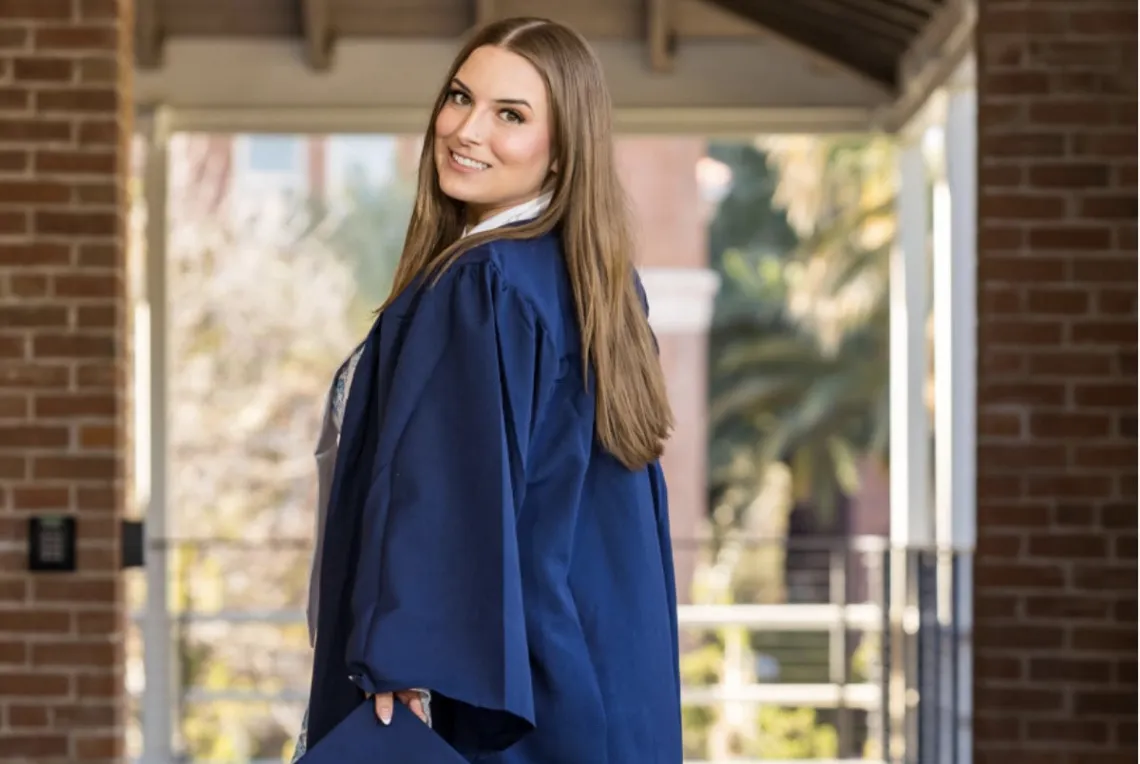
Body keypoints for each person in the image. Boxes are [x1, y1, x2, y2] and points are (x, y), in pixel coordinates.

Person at [297, 16, 683, 763]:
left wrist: (401, 657)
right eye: (459, 98)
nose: (467, 130)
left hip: (495, 709)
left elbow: (442, 486)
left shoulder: (484, 284)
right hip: (600, 685)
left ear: (563, 152)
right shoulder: (593, 283)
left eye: (510, 115)